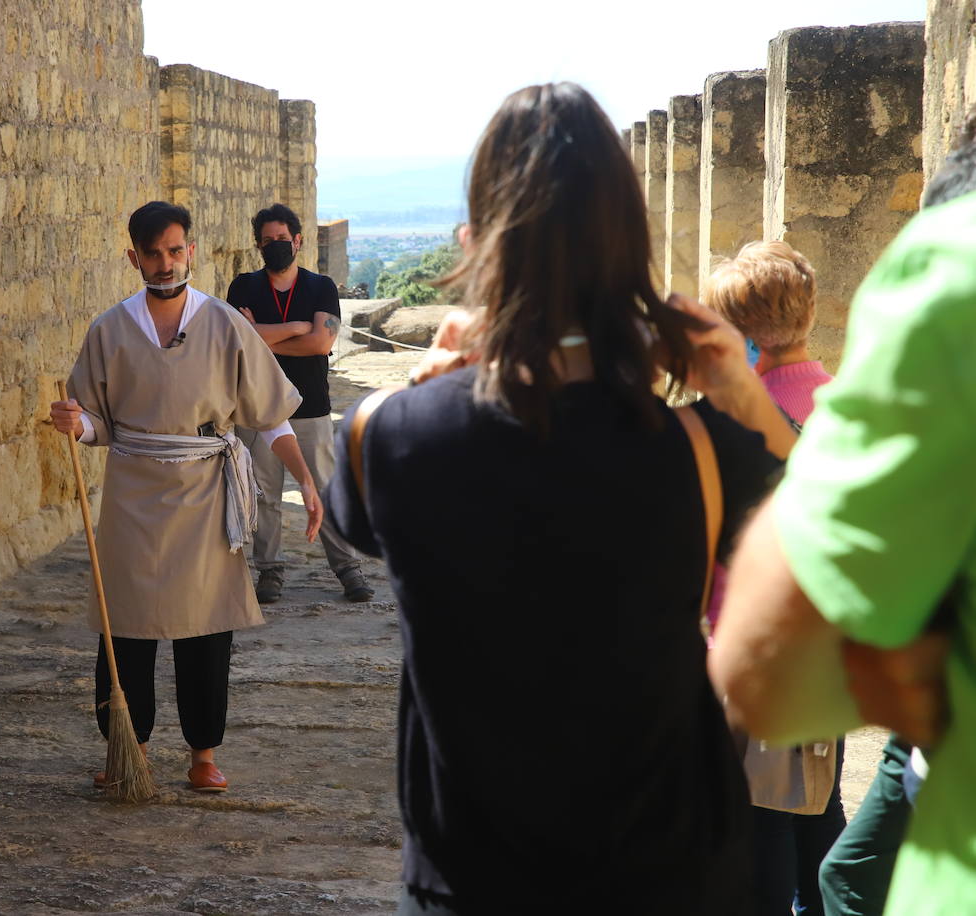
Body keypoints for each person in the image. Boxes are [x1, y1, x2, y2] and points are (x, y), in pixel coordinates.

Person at [324, 82, 796, 914]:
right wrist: (744, 395)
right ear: (628, 247)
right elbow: (831, 543)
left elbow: (360, 525)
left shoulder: (381, 438)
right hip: (672, 874)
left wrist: (429, 382)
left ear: (478, 241)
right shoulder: (698, 453)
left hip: (470, 881)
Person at [711, 120, 976, 916]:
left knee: (771, 843)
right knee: (819, 829)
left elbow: (771, 666)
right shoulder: (834, 392)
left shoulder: (949, 271)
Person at [50, 201, 324, 793]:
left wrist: (305, 478)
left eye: (175, 250)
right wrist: (76, 424)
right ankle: (131, 747)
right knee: (125, 624)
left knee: (205, 626)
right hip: (133, 493)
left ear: (191, 252)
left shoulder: (227, 325)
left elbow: (269, 418)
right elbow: (98, 424)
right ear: (134, 258)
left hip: (205, 492)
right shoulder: (109, 330)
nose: (166, 263)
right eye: (153, 253)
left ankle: (203, 753)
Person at [703, 241, 843, 916]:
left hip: (754, 643)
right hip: (831, 641)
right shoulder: (845, 405)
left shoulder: (734, 418)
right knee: (819, 806)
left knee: (760, 821)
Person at [226, 203, 372, 604]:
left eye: (283, 240)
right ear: (258, 244)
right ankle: (270, 571)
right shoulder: (243, 287)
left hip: (311, 408)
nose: (276, 246)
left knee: (324, 488)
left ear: (299, 241)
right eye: (268, 241)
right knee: (264, 494)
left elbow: (323, 342)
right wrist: (294, 328)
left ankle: (347, 568)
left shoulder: (320, 287)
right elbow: (239, 341)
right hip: (258, 408)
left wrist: (264, 334)